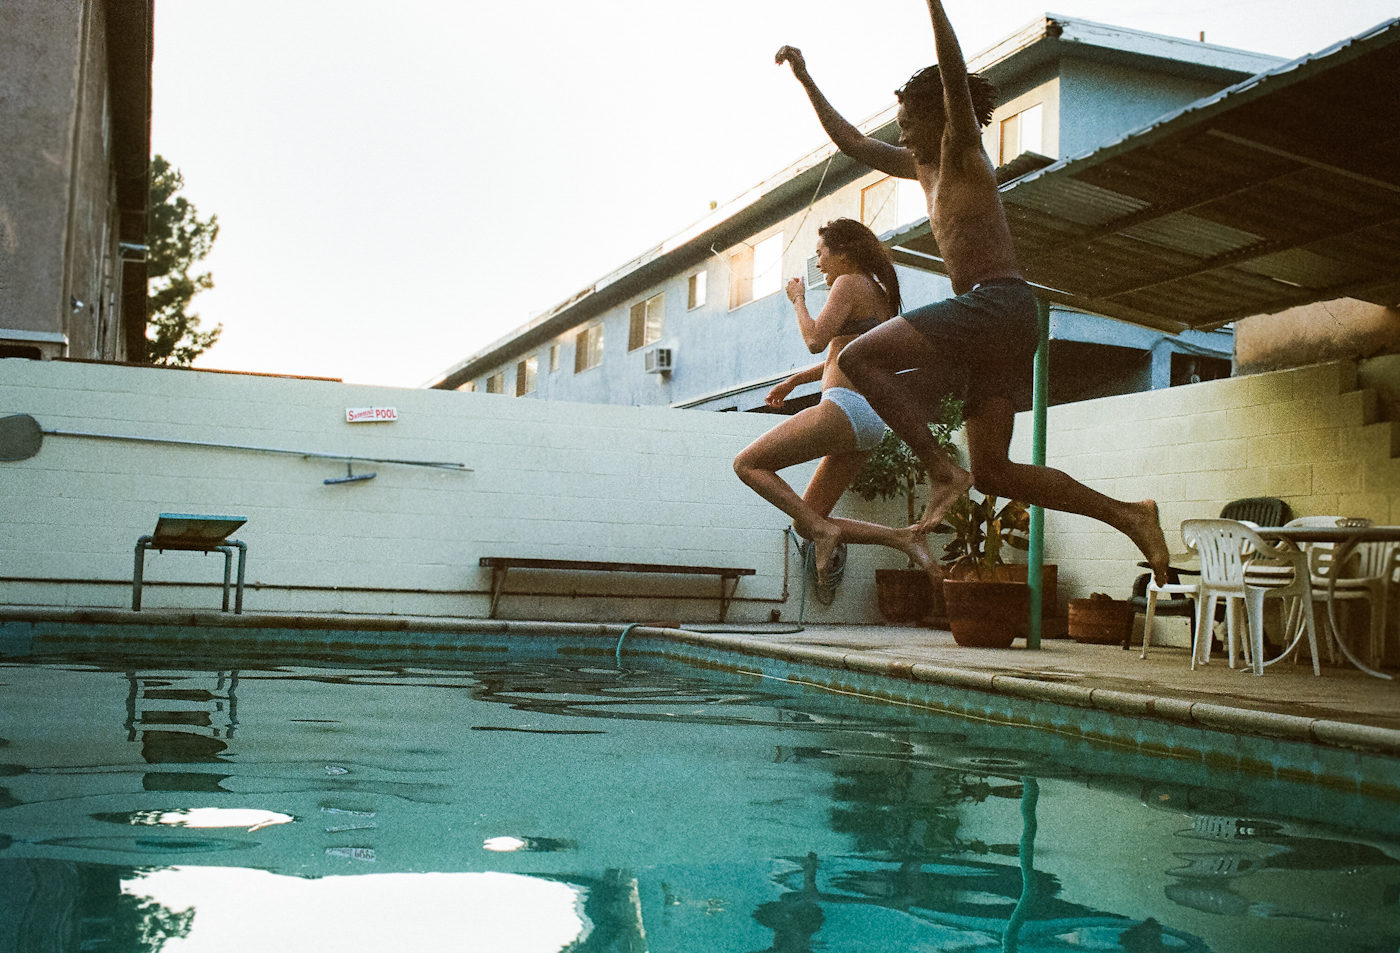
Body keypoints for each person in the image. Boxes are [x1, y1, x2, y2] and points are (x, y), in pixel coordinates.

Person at [774, 0, 1171, 584]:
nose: (901, 124)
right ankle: (1132, 516)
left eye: (909, 114)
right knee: (995, 473)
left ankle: (940, 470)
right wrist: (807, 79)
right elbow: (854, 144)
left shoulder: (962, 151)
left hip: (996, 302)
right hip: (1001, 323)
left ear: (940, 113)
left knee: (859, 356)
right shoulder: (922, 165)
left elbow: (952, 72)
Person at [733, 218, 939, 585]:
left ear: (844, 253)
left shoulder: (848, 283)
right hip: (872, 420)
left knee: (748, 464)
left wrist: (798, 300)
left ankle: (826, 532)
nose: (819, 264)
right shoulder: (880, 294)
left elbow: (814, 339)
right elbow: (842, 354)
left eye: (821, 254)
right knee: (807, 520)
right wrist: (797, 379)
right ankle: (902, 537)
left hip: (844, 407)